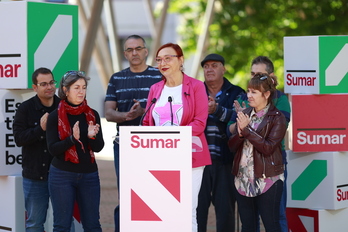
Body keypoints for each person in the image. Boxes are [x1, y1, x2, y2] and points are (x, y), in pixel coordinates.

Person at [142, 43, 211, 232]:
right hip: (161, 157)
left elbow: (199, 123)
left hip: (191, 157)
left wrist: (174, 139)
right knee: (164, 210)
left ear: (180, 60)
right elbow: (148, 122)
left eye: (167, 58)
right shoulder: (155, 89)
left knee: (186, 210)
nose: (162, 63)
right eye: (159, 60)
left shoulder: (196, 86)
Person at [104, 34, 162, 232]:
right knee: (127, 195)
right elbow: (109, 112)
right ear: (125, 54)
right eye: (130, 50)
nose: (134, 53)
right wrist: (126, 116)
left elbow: (168, 110)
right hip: (125, 144)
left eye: (138, 48)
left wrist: (143, 111)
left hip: (155, 145)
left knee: (153, 193)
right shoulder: (117, 78)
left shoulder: (159, 76)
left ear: (146, 51)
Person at [232, 56, 291, 232]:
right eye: (249, 90)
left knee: (274, 221)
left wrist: (247, 129)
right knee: (248, 226)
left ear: (266, 93)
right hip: (243, 178)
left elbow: (268, 146)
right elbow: (232, 144)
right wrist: (240, 131)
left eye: (254, 92)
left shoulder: (277, 113)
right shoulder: (245, 110)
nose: (249, 95)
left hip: (269, 176)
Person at [46, 71, 104, 231]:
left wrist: (92, 137)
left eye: (84, 87)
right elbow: (53, 149)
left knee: (92, 224)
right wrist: (72, 139)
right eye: (76, 87)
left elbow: (99, 147)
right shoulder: (54, 116)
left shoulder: (93, 115)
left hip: (89, 175)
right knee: (62, 225)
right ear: (65, 90)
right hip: (62, 175)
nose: (81, 91)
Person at [197, 54, 244, 232]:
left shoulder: (236, 92)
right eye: (206, 66)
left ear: (223, 69)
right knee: (196, 211)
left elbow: (241, 119)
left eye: (214, 65)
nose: (209, 69)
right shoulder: (193, 90)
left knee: (226, 212)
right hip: (197, 161)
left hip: (225, 160)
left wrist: (217, 110)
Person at [13, 67, 60, 231]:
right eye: (44, 84)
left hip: (62, 175)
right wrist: (40, 129)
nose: (49, 87)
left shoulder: (63, 107)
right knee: (34, 223)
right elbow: (19, 139)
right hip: (35, 176)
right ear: (35, 87)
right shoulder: (25, 109)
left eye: (51, 82)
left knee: (64, 222)